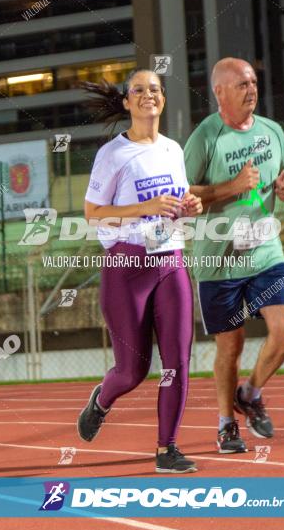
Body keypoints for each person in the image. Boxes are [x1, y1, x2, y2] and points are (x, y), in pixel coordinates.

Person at [76, 69, 203, 474]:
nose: (148, 95)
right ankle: (101, 400)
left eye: (155, 89)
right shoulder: (112, 154)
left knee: (177, 362)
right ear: (127, 102)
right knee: (132, 371)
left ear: (163, 99)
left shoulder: (173, 150)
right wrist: (141, 208)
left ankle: (167, 449)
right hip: (125, 268)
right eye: (139, 90)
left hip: (170, 261)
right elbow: (92, 215)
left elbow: (179, 202)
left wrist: (192, 207)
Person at [183, 58, 284, 453]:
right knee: (230, 346)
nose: (251, 89)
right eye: (242, 84)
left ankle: (249, 393)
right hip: (220, 259)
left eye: (253, 82)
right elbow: (183, 194)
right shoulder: (204, 138)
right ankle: (225, 424)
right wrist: (230, 187)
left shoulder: (273, 131)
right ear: (220, 92)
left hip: (265, 251)